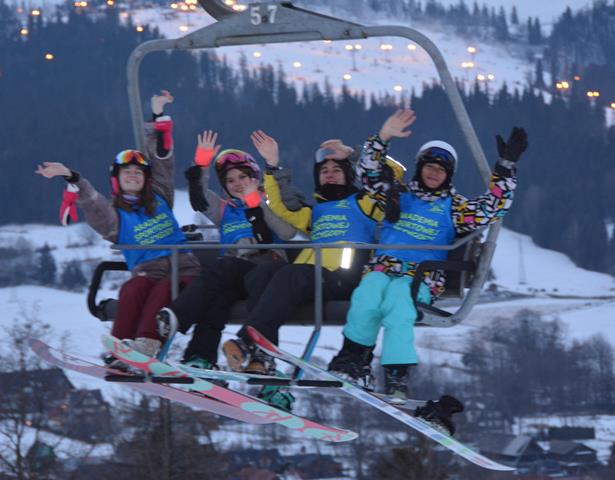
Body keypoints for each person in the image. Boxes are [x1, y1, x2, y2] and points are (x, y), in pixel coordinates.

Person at [327, 109, 528, 436]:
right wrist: (384, 136)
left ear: (449, 176)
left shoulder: (456, 207)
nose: (434, 173)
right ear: (419, 168)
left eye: (441, 170)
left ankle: (396, 373)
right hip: (382, 267)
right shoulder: (397, 195)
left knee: (398, 304)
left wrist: (506, 167)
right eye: (429, 167)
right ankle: (353, 359)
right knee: (366, 295)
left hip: (420, 276)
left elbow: (493, 208)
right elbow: (367, 173)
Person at [36, 91, 201, 363]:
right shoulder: (116, 216)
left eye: (138, 172)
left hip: (184, 270)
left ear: (146, 179)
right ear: (117, 180)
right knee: (131, 289)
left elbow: (162, 163)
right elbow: (94, 205)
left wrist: (158, 116)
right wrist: (72, 178)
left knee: (163, 290)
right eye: (127, 172)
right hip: (148, 271)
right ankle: (121, 349)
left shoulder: (159, 196)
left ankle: (147, 346)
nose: (133, 175)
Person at [220, 132, 399, 380]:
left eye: (336, 170)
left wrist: (354, 154)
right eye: (324, 170)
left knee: (292, 273)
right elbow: (281, 208)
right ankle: (262, 358)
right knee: (262, 273)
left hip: (343, 276)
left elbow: (392, 177)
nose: (329, 174)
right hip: (310, 278)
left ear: (349, 174)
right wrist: (272, 166)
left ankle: (249, 341)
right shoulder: (315, 212)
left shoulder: (365, 203)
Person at [156, 130, 298, 373]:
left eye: (243, 177)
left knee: (227, 268)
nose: (238, 184)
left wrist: (256, 204)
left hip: (265, 269)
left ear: (254, 177)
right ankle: (200, 357)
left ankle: (259, 358)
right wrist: (201, 165)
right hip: (234, 275)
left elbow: (287, 233)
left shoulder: (270, 202)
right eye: (230, 181)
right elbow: (200, 198)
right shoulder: (226, 210)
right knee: (216, 299)